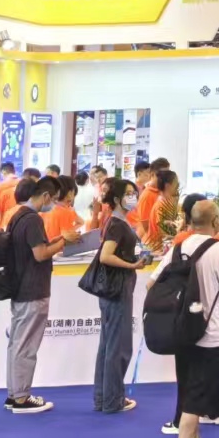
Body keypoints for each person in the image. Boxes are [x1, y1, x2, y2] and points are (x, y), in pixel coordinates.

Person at [149, 198, 219, 438]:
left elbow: (152, 283)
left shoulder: (179, 247)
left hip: (182, 332)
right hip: (209, 334)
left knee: (189, 389)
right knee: (197, 397)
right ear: (216, 221)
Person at [5, 175, 78, 414]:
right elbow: (40, 254)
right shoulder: (32, 219)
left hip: (21, 289)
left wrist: (58, 240)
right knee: (26, 346)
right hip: (33, 290)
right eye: (54, 199)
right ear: (45, 196)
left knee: (17, 344)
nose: (54, 204)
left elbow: (36, 249)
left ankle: (14, 393)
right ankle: (22, 397)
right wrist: (64, 241)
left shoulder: (18, 216)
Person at [91, 177, 146, 415]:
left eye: (134, 193)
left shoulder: (116, 222)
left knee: (109, 345)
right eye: (128, 193)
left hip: (114, 289)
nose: (133, 197)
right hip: (117, 289)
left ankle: (105, 397)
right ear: (116, 198)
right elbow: (106, 256)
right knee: (118, 346)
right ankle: (112, 399)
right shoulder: (117, 224)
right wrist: (131, 265)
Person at [42, 176, 82, 241]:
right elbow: (68, 237)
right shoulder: (66, 211)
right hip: (59, 246)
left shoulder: (43, 209)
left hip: (45, 245)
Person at [0, 161, 21, 231]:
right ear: (14, 171)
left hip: (4, 225)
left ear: (3, 172)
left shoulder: (0, 187)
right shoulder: (23, 184)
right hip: (21, 222)